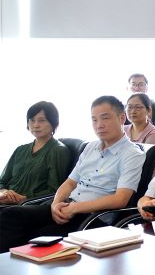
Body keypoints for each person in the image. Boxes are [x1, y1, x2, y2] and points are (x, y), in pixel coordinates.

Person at [0, 96, 145, 253]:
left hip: (93, 218)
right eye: (94, 120)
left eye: (105, 118)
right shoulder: (90, 147)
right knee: (11, 215)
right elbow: (70, 183)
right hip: (68, 206)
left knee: (36, 237)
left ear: (122, 118)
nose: (99, 125)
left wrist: (75, 208)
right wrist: (55, 204)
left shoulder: (132, 154)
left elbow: (120, 199)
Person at [0, 101, 72, 205]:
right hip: (5, 201)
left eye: (41, 120)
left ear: (53, 122)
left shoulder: (58, 151)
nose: (35, 125)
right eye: (32, 120)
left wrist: (23, 198)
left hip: (29, 205)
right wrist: (4, 192)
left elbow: (55, 190)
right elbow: (2, 181)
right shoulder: (20, 149)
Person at [124, 93, 155, 163]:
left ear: (148, 110)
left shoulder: (154, 133)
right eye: (130, 107)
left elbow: (142, 159)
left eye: (138, 107)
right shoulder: (122, 130)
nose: (133, 111)